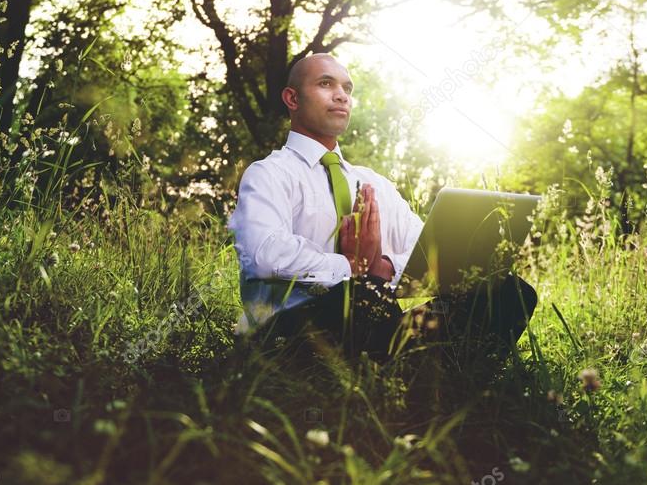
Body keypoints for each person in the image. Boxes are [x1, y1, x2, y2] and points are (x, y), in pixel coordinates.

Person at [227, 53, 537, 363]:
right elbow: (264, 255)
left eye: (347, 89)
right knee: (358, 294)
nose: (341, 96)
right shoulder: (269, 173)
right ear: (292, 98)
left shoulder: (375, 184)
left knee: (510, 293)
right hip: (292, 333)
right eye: (325, 84)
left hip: (376, 325)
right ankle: (405, 372)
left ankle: (431, 381)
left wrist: (381, 268)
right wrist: (351, 267)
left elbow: (427, 255)